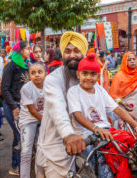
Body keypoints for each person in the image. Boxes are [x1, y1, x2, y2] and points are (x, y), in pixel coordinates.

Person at [67, 53, 137, 177]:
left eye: (93, 74)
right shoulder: (73, 91)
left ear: (98, 75)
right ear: (78, 75)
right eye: (85, 73)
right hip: (86, 137)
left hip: (107, 134)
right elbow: (77, 115)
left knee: (132, 159)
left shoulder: (100, 90)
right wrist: (96, 129)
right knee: (106, 173)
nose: (88, 77)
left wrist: (136, 125)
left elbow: (116, 109)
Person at [35, 32, 88, 178]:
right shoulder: (53, 79)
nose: (72, 55)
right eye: (68, 51)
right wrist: (68, 134)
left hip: (83, 144)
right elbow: (57, 109)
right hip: (55, 147)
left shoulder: (87, 77)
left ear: (84, 53)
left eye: (77, 51)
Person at [1, 40, 31, 176]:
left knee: (18, 136)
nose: (30, 51)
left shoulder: (26, 65)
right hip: (13, 105)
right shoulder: (10, 66)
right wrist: (13, 107)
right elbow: (4, 89)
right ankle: (20, 168)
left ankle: (15, 166)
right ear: (20, 51)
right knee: (22, 136)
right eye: (28, 49)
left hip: (25, 106)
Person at [19, 63, 46, 178]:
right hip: (28, 120)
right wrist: (48, 122)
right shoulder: (26, 88)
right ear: (29, 75)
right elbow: (33, 111)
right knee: (26, 152)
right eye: (33, 73)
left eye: (40, 72)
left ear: (45, 73)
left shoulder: (49, 86)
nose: (37, 75)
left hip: (44, 119)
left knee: (43, 149)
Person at [109, 52, 137, 128]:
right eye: (129, 60)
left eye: (134, 59)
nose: (132, 61)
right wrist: (123, 103)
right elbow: (113, 95)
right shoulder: (120, 75)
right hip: (127, 111)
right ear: (125, 62)